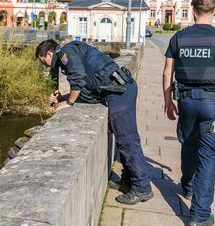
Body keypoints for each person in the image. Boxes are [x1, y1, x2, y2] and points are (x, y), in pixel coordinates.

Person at [162, 0, 215, 226]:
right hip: (213, 105)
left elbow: (168, 72)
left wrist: (168, 101)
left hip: (186, 102)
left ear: (193, 10)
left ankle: (187, 187)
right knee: (208, 157)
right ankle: (199, 216)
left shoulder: (179, 38)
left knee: (189, 145)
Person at [36, 39, 152, 205]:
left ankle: (142, 188)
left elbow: (78, 79)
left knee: (128, 141)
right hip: (118, 90)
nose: (46, 66)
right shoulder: (71, 51)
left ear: (49, 53)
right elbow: (85, 90)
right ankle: (129, 181)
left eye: (44, 61)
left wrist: (68, 104)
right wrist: (62, 97)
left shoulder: (65, 53)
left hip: (119, 92)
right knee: (123, 141)